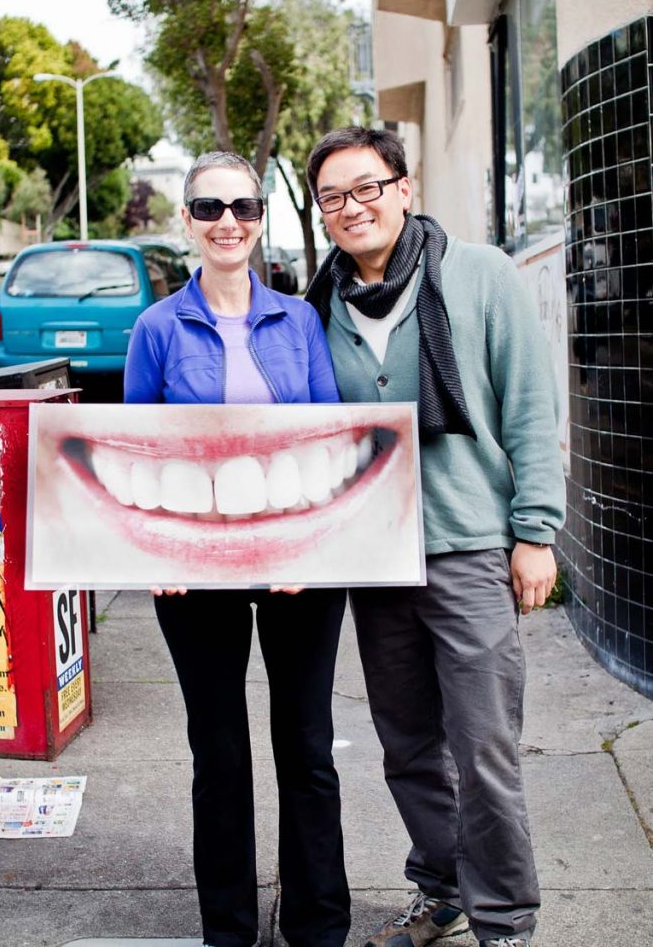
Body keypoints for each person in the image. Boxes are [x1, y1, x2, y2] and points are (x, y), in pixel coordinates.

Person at [305, 127, 566, 947]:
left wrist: (536, 532)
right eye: (333, 197)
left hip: (469, 547)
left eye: (367, 186)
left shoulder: (478, 274)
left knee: (483, 748)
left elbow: (528, 404)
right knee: (408, 744)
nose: (353, 207)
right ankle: (441, 888)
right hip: (376, 559)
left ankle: (504, 921)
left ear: (404, 188)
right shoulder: (321, 305)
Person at [123, 151, 351, 947]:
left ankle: (319, 926)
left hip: (298, 568)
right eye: (210, 208)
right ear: (186, 221)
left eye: (244, 208)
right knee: (218, 755)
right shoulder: (156, 327)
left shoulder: (299, 320)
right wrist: (159, 555)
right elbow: (141, 450)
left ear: (260, 221)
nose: (228, 222)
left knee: (308, 749)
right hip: (196, 572)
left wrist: (302, 550)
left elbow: (322, 441)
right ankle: (229, 928)